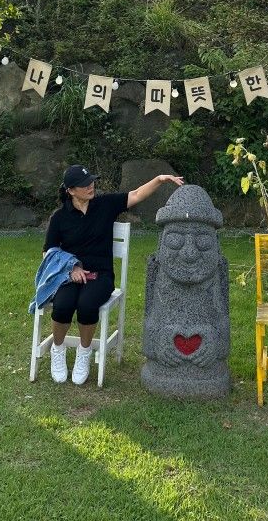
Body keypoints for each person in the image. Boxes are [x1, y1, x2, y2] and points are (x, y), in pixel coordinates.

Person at [43, 163, 184, 385]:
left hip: (101, 275)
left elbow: (136, 195)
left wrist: (159, 179)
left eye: (91, 181)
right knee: (62, 305)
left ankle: (84, 352)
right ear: (70, 190)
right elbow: (49, 252)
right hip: (70, 275)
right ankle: (58, 350)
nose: (90, 186)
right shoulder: (60, 217)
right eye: (83, 184)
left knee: (87, 305)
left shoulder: (105, 205)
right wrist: (71, 269)